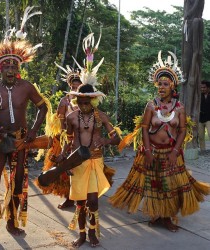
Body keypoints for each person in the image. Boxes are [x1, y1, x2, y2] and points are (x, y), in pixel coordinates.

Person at [0, 10, 51, 245]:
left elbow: (42, 108)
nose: (9, 70)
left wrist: (35, 131)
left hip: (20, 141)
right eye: (5, 66)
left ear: (18, 69)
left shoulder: (26, 86)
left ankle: (11, 222)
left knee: (18, 183)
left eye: (13, 66)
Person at [109, 51, 210, 232]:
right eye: (159, 84)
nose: (161, 87)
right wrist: (147, 151)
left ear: (173, 87)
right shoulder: (151, 105)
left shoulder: (179, 108)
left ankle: (167, 216)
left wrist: (175, 151)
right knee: (153, 183)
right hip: (151, 152)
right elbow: (145, 128)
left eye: (165, 84)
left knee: (169, 184)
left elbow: (182, 130)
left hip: (170, 153)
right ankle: (157, 214)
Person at [56, 33, 121, 248]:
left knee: (93, 201)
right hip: (77, 162)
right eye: (80, 100)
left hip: (95, 161)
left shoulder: (101, 117)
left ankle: (93, 233)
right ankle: (82, 234)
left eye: (87, 100)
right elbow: (68, 138)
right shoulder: (71, 117)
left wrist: (105, 141)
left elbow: (116, 138)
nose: (84, 103)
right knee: (80, 201)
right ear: (76, 99)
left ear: (93, 99)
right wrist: (63, 155)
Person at [35, 65, 82, 209]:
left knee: (82, 170)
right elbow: (61, 122)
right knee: (66, 170)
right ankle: (69, 197)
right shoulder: (64, 101)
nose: (75, 89)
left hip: (83, 139)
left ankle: (83, 196)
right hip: (67, 139)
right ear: (69, 86)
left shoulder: (87, 100)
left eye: (78, 86)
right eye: (73, 86)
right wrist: (65, 138)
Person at [199, 80, 210, 152]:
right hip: (200, 119)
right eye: (201, 87)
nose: (202, 89)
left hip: (209, 118)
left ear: (208, 87)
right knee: (200, 136)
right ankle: (203, 150)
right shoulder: (199, 96)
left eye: (204, 87)